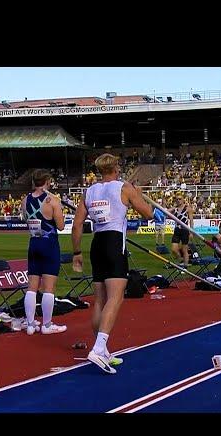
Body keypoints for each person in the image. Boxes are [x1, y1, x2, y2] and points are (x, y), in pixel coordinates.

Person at [72, 153, 153, 374]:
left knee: (99, 299)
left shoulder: (89, 192)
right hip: (115, 241)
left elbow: (77, 225)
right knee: (115, 297)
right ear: (116, 167)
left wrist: (76, 252)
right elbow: (148, 214)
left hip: (97, 244)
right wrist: (139, 195)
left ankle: (102, 348)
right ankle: (98, 349)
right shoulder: (124, 187)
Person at [22, 169, 66, 336]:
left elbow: (27, 220)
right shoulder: (53, 200)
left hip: (34, 243)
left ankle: (31, 324)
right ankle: (47, 325)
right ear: (47, 181)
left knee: (32, 286)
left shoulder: (25, 200)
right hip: (49, 244)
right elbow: (61, 226)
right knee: (49, 287)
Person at [170, 195, 193, 267]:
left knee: (184, 249)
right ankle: (180, 260)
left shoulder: (187, 208)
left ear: (183, 200)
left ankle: (185, 266)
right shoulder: (175, 208)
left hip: (185, 230)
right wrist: (173, 207)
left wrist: (191, 232)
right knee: (174, 249)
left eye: (180, 199)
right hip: (177, 229)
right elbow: (166, 211)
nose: (178, 200)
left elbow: (191, 221)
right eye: (177, 199)